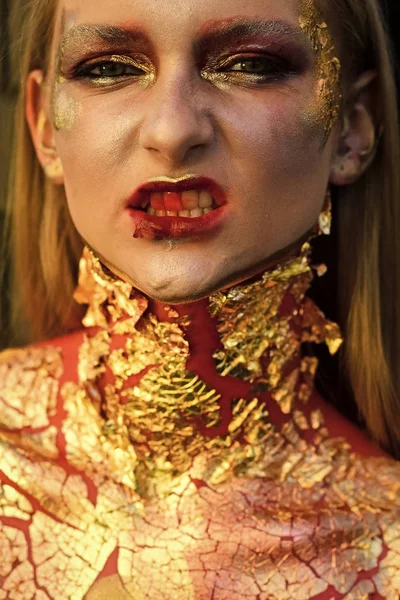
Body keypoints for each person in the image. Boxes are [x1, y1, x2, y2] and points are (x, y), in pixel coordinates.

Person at [1, 0, 400, 597]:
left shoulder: (384, 552)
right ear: (43, 126)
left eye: (252, 64)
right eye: (108, 67)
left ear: (352, 126)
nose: (173, 131)